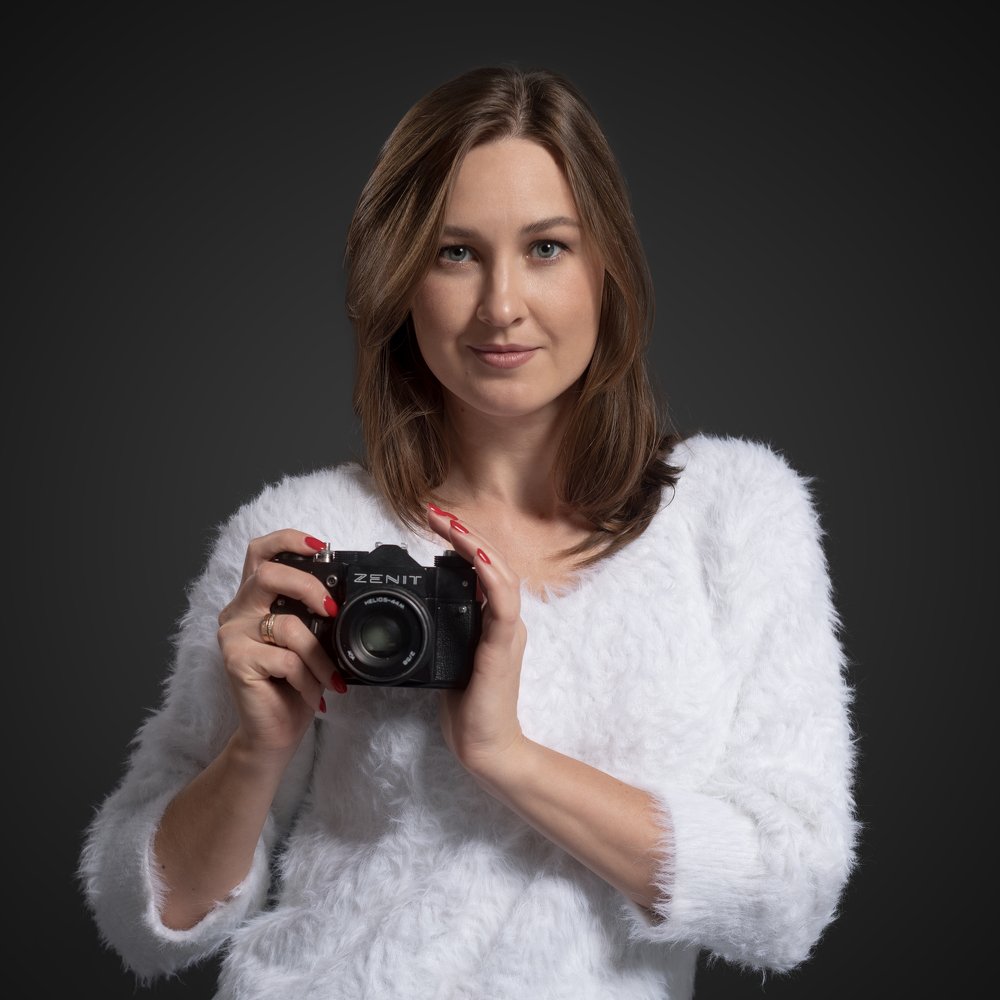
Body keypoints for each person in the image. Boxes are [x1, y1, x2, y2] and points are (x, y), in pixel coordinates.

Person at [79, 65, 858, 999]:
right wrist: (255, 749)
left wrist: (504, 756)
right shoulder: (306, 535)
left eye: (546, 247)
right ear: (401, 276)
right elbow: (147, 919)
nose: (501, 305)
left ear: (606, 268)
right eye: (455, 252)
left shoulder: (733, 514)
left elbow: (788, 894)